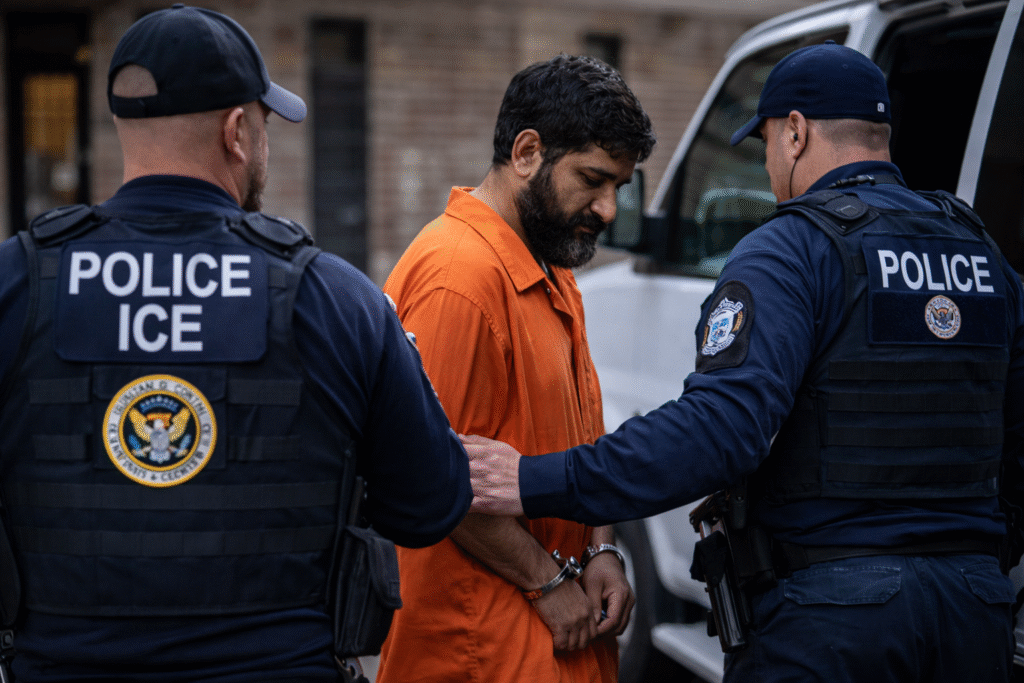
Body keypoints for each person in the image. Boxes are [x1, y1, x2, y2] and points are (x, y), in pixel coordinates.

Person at [464, 42, 1024, 683]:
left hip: (831, 623)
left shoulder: (792, 249)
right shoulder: (982, 253)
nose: (768, 163)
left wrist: (535, 480)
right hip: (976, 613)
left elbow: (718, 432)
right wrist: (980, 557)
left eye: (762, 144)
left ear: (794, 132)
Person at [0, 5, 471, 682]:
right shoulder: (335, 297)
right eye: (266, 124)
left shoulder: (18, 283)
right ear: (237, 132)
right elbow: (431, 503)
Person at [375, 55, 655, 683]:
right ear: (527, 152)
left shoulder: (548, 264)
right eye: (592, 179)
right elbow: (436, 475)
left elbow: (580, 432)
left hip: (552, 638)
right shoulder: (459, 280)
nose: (608, 210)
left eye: (618, 188)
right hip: (477, 651)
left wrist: (602, 546)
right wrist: (549, 580)